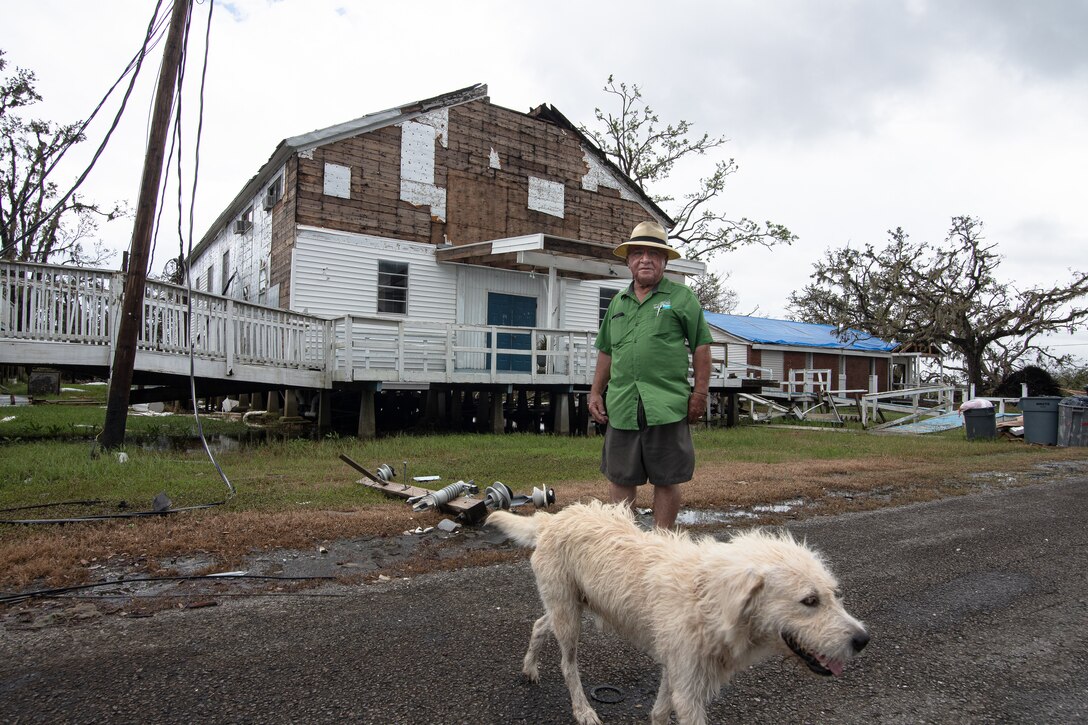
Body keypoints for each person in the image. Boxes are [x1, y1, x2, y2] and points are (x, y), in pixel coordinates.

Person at [589, 221, 712, 529]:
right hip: (622, 404)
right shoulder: (617, 302)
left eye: (654, 253)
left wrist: (699, 394)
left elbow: (701, 346)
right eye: (638, 253)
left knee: (667, 478)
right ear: (629, 261)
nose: (645, 259)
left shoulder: (682, 297)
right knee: (620, 477)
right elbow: (606, 350)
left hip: (666, 405)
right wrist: (594, 392)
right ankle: (625, 545)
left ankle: (662, 544)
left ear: (664, 261)